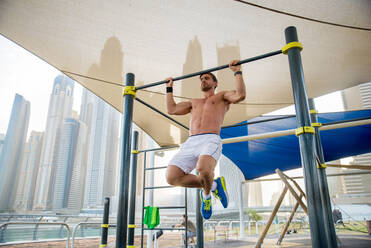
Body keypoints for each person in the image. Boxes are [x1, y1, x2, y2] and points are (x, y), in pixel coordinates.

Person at [165, 60, 246, 219]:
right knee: (171, 177)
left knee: (203, 169)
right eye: (201, 79)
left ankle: (207, 197)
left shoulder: (222, 96)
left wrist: (237, 72)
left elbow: (240, 95)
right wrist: (169, 87)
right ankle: (215, 185)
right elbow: (172, 109)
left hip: (210, 139)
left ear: (215, 83)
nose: (203, 80)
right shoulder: (194, 102)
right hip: (191, 141)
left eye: (207, 78)